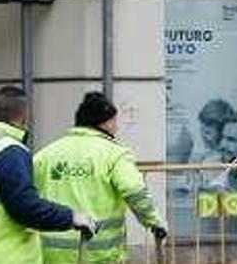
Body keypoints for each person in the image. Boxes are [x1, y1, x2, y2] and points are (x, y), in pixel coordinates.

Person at [0, 86, 98, 264]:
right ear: (24, 116)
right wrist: (71, 217)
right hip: (11, 257)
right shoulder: (11, 151)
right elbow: (26, 207)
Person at [34, 92, 169, 263]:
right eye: (114, 121)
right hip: (97, 254)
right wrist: (155, 221)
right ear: (105, 123)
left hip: (50, 254)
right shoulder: (115, 154)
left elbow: (27, 198)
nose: (116, 127)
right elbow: (134, 191)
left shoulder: (46, 154)